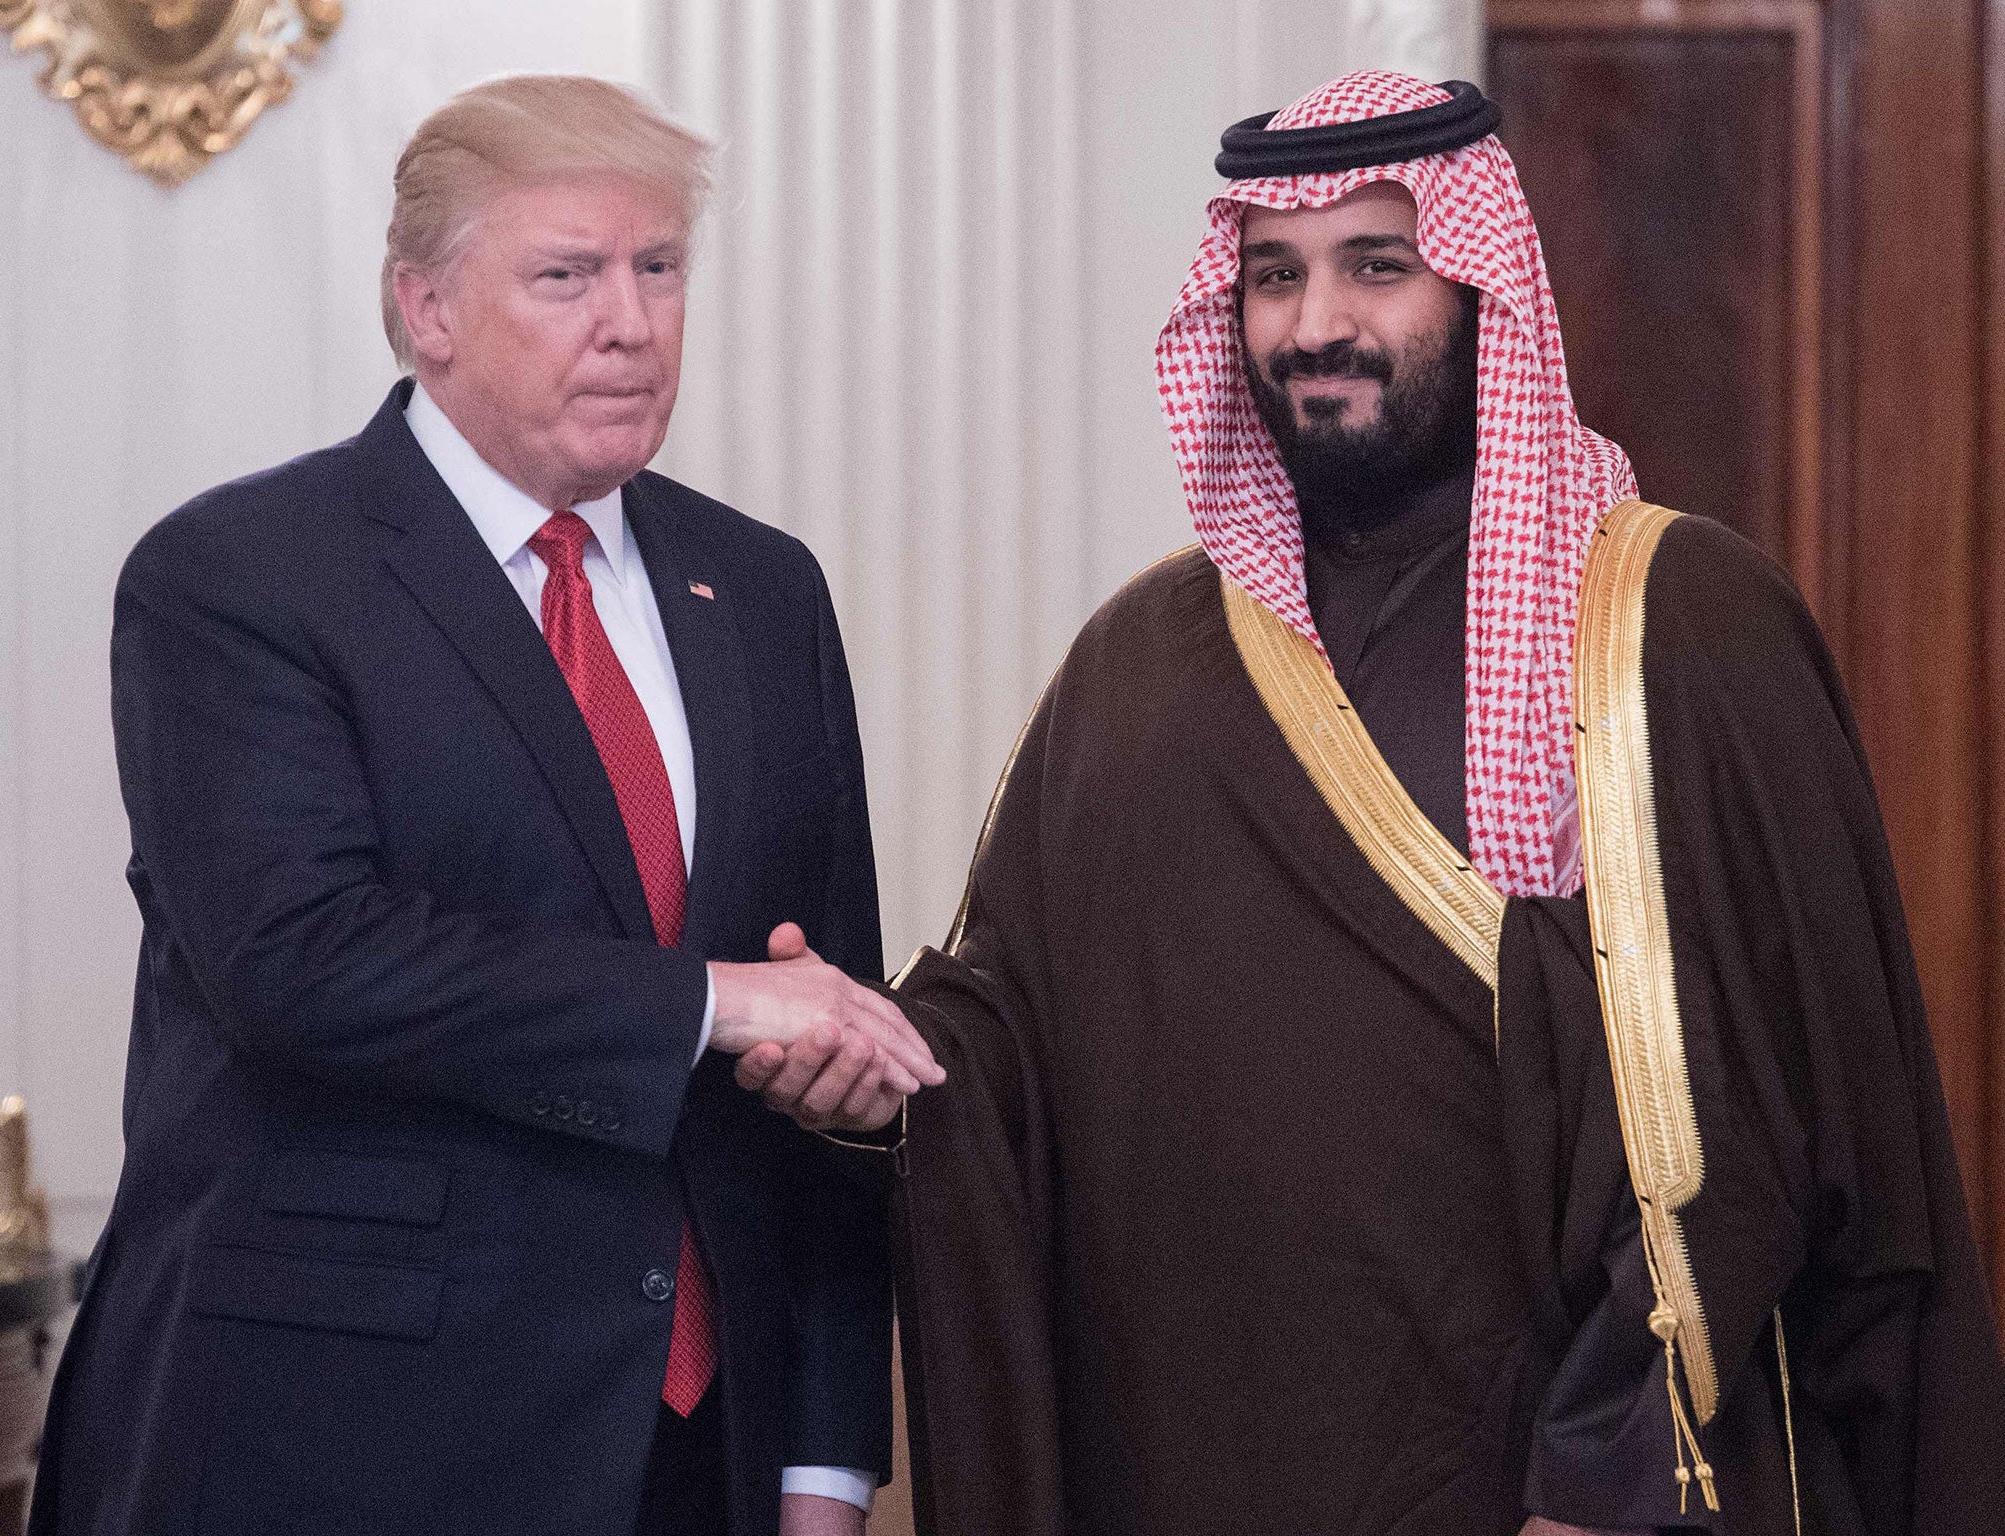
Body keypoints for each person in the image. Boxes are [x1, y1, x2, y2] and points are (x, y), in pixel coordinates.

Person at [738, 72, 2005, 1534]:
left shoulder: (1675, 621)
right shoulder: (1141, 664)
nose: (1315, 324)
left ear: (1481, 290)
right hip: (1207, 1464)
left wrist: (1604, 1485)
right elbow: (1009, 1045)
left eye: (1377, 267)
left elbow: (1735, 1100)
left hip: (1560, 1484)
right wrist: (864, 1071)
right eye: (1273, 276)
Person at [30, 74, 938, 1536]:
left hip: (699, 1462)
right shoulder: (241, 580)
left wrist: (825, 1463)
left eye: (659, 270)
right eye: (568, 276)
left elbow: (822, 1018)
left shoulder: (761, 590)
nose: (631, 323)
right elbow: (301, 962)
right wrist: (710, 1007)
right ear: (426, 307)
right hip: (341, 1446)